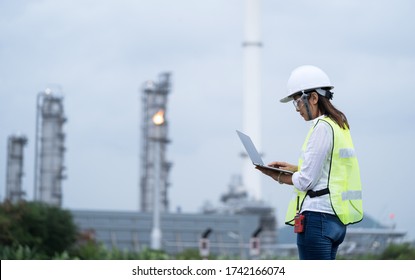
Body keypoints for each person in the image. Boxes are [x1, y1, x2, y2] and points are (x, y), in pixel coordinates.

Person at [256, 65, 363, 260]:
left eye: (297, 102)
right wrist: (295, 168)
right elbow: (332, 168)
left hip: (317, 219)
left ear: (313, 98)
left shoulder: (321, 128)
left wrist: (277, 175)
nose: (297, 109)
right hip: (335, 220)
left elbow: (306, 181)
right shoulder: (339, 125)